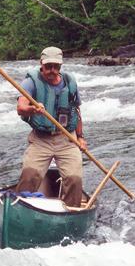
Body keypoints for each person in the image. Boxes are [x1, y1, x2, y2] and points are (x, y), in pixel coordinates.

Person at [15, 46, 87, 207]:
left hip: (67, 139)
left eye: (56, 66)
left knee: (74, 178)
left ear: (61, 66)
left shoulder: (70, 83)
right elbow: (21, 107)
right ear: (41, 64)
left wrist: (81, 137)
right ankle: (22, 209)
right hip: (41, 139)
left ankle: (70, 211)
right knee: (29, 175)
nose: (52, 70)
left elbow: (76, 112)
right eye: (48, 66)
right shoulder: (30, 82)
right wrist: (33, 109)